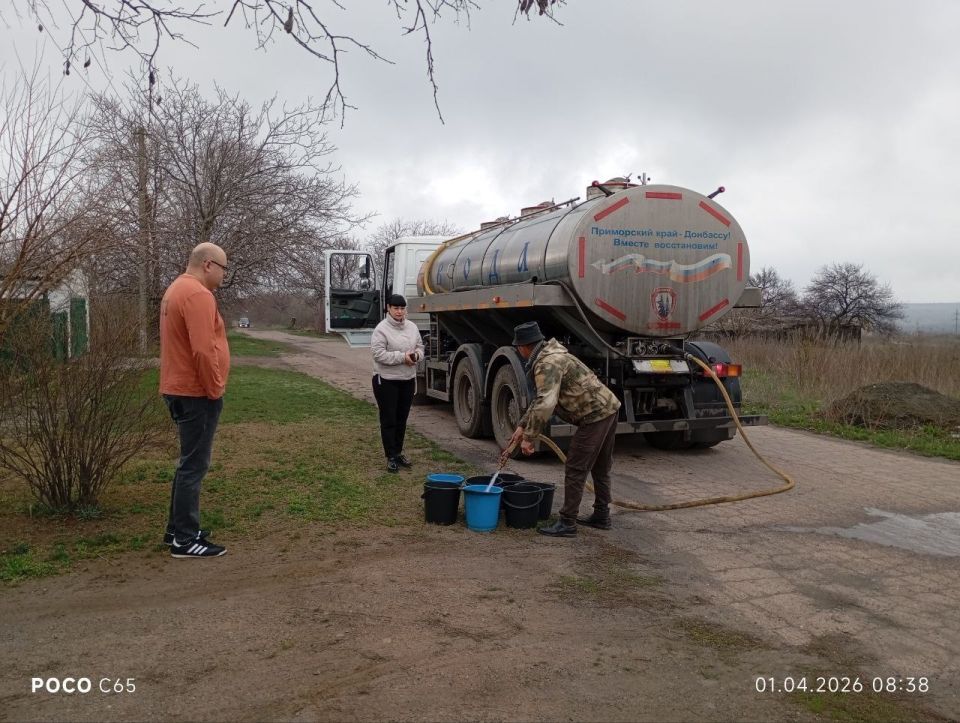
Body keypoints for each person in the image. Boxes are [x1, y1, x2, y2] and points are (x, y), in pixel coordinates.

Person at [504, 321, 621, 537]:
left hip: (594, 416)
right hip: (608, 409)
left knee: (575, 468)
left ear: (523, 347)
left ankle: (567, 523)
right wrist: (522, 426)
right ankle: (602, 516)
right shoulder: (553, 354)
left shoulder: (547, 363)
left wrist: (529, 438)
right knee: (600, 468)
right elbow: (541, 399)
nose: (518, 351)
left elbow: (546, 403)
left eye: (518, 347)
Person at [159, 242, 231, 558]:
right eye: (223, 268)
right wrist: (214, 389)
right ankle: (185, 541)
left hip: (177, 388)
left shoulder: (175, 289)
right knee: (194, 467)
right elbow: (203, 350)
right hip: (195, 392)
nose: (224, 275)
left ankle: (177, 530)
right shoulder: (199, 295)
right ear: (208, 265)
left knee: (187, 463)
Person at [371, 294, 424, 473]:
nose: (399, 312)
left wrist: (416, 356)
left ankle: (399, 452)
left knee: (402, 419)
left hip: (407, 380)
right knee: (389, 419)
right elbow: (379, 354)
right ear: (389, 308)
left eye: (402, 308)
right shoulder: (381, 329)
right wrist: (403, 357)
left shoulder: (412, 327)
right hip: (386, 381)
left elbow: (420, 348)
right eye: (396, 308)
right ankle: (390, 456)